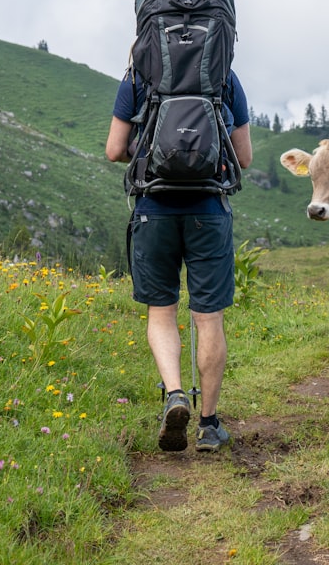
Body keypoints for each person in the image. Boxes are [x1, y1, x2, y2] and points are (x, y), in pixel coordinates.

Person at [105, 70, 252, 452]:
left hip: (154, 208)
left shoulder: (137, 79)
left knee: (162, 311)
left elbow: (113, 150)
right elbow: (245, 158)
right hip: (209, 209)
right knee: (209, 317)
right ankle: (208, 424)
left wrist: (155, 150)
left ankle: (174, 394)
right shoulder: (225, 77)